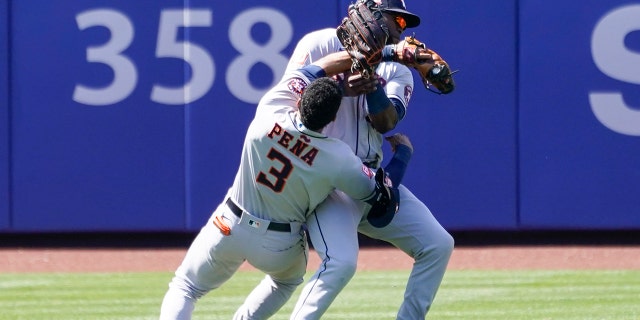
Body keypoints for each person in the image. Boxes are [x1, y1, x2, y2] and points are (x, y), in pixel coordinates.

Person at [238, 0, 455, 319]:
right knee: (338, 263)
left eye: (405, 23)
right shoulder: (319, 44)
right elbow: (293, 100)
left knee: (438, 244)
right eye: (397, 19)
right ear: (371, 15)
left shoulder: (397, 69)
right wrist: (344, 81)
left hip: (369, 179)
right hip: (327, 183)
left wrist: (371, 82)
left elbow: (386, 121)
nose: (401, 29)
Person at [159, 49, 412, 320]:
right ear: (331, 119)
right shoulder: (337, 157)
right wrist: (403, 155)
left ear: (300, 98)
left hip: (230, 222)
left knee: (185, 287)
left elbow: (314, 69)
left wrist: (373, 52)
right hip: (279, 242)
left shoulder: (272, 109)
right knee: (284, 282)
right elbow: (381, 195)